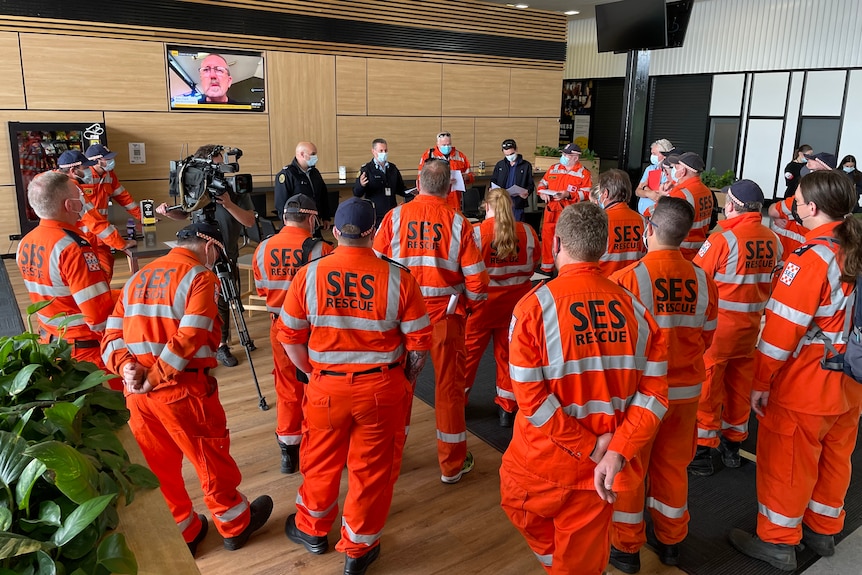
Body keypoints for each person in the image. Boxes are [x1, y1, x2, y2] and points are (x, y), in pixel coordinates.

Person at [501, 201, 668, 575]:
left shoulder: (533, 309)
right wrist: (614, 451)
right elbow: (654, 396)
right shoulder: (637, 311)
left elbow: (531, 400)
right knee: (577, 561)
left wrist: (589, 448)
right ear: (605, 247)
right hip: (602, 468)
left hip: (543, 459)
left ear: (556, 243)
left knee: (525, 516)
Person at [100, 222, 273, 556]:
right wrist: (155, 376)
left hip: (137, 397)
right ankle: (235, 524)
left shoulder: (138, 277)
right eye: (217, 255)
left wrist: (125, 368)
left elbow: (110, 334)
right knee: (210, 459)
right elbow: (190, 336)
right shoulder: (199, 277)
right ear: (209, 248)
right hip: (181, 391)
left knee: (158, 467)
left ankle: (186, 531)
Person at [281, 198, 432, 575]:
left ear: (334, 232)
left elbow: (289, 337)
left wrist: (312, 372)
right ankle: (358, 549)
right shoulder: (399, 277)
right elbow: (419, 343)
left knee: (318, 461)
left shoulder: (308, 274)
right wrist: (404, 381)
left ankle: (312, 530)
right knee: (371, 471)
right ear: (375, 231)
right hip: (382, 388)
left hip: (325, 389)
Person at [728, 170, 862, 571]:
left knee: (788, 461)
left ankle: (778, 540)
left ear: (813, 208)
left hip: (806, 384)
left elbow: (780, 333)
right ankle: (823, 529)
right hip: (851, 382)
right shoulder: (855, 245)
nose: (795, 206)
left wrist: (761, 381)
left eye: (799, 200)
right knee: (836, 457)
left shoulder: (810, 259)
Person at [607, 196, 718, 574]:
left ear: (648, 229)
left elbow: (618, 350)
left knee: (630, 468)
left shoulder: (627, 280)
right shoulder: (703, 279)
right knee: (673, 467)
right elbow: (707, 338)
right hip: (685, 394)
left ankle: (626, 548)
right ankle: (671, 542)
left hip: (640, 398)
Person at [373, 159, 489, 484]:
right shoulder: (458, 223)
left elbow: (377, 267)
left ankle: (392, 457)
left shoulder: (394, 217)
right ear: (450, 188)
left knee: (398, 387)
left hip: (399, 319)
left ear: (417, 182)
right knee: (449, 390)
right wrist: (472, 308)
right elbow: (477, 282)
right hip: (446, 319)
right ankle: (452, 465)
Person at [691, 180, 782, 476]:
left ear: (731, 205)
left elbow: (696, 280)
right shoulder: (773, 239)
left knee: (708, 387)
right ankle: (733, 445)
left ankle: (703, 450)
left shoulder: (722, 240)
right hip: (752, 329)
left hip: (719, 331)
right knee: (740, 388)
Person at [156, 144, 256, 367]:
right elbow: (185, 213)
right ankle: (212, 344)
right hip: (199, 256)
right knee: (205, 300)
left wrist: (228, 204)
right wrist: (168, 212)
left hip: (226, 251)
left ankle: (228, 341)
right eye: (216, 166)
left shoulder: (233, 187)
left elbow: (249, 221)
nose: (220, 171)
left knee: (227, 299)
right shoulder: (195, 185)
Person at [254, 194, 333, 474]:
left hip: (279, 328)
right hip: (314, 331)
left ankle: (289, 452)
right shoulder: (321, 250)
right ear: (311, 219)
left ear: (285, 217)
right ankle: (319, 448)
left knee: (287, 388)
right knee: (317, 386)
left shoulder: (262, 248)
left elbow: (263, 290)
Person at [17, 171, 117, 380]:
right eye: (78, 197)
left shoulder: (25, 243)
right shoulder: (73, 248)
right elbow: (97, 317)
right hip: (85, 354)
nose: (83, 202)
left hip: (52, 343)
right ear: (69, 205)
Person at [463, 188, 539, 427]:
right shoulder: (527, 232)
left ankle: (458, 403)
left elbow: (465, 271)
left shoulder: (476, 234)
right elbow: (534, 264)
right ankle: (507, 409)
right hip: (516, 307)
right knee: (508, 358)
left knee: (467, 357)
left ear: (487, 207)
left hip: (481, 306)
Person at [57, 150, 137, 280]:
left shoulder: (51, 183)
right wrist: (120, 243)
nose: (89, 169)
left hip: (93, 239)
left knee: (101, 273)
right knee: (93, 278)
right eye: (85, 167)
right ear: (73, 170)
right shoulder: (72, 188)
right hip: (81, 241)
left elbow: (124, 197)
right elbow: (93, 218)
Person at [82, 143, 141, 282]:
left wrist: (143, 217)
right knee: (88, 274)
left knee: (106, 269)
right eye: (107, 159)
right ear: (97, 161)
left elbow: (124, 198)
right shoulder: (81, 176)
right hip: (84, 236)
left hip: (102, 235)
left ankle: (104, 297)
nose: (110, 161)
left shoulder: (109, 175)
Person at [536, 143, 592, 274]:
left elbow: (587, 193)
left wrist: (568, 195)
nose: (564, 157)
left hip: (570, 213)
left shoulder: (583, 173)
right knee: (547, 239)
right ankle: (546, 268)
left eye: (567, 155)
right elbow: (542, 183)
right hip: (551, 211)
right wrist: (542, 193)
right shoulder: (554, 168)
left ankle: (564, 270)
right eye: (564, 154)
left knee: (568, 241)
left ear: (576, 157)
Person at [768, 151, 836, 254]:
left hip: (791, 255)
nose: (806, 166)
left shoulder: (801, 200)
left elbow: (773, 211)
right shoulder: (838, 198)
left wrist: (776, 216)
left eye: (810, 165)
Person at [649, 152, 713, 260]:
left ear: (683, 171)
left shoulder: (681, 193)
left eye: (675, 167)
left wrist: (660, 197)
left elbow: (659, 214)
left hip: (680, 250)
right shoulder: (706, 191)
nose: (673, 169)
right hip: (698, 251)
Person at [592, 168, 646, 277]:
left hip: (604, 282)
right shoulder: (642, 220)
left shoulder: (598, 221)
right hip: (632, 284)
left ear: (605, 193)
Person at [274, 141, 331, 229]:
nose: (315, 157)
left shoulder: (314, 173)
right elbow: (281, 203)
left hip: (313, 222)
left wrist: (326, 217)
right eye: (313, 154)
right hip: (296, 225)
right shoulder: (287, 174)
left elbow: (323, 195)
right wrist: (287, 224)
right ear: (302, 154)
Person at [353, 138, 408, 227]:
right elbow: (356, 193)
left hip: (391, 213)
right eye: (381, 151)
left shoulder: (393, 168)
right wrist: (361, 185)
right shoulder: (366, 169)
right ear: (373, 151)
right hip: (375, 214)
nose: (384, 153)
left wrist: (414, 192)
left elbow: (401, 189)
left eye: (385, 150)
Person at [417, 131, 474, 212]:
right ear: (437, 144)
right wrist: (444, 181)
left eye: (449, 144)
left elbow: (471, 175)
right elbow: (421, 178)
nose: (447, 147)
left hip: (455, 201)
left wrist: (467, 177)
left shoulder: (460, 156)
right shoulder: (429, 156)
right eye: (444, 145)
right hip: (435, 200)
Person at [490, 139, 534, 221]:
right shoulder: (500, 165)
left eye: (512, 153)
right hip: (502, 201)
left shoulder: (526, 165)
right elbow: (494, 180)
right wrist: (491, 188)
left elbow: (530, 184)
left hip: (517, 202)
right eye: (507, 155)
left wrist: (527, 191)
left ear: (516, 149)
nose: (510, 156)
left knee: (517, 226)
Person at [634, 139, 674, 215]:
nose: (652, 156)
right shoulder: (650, 169)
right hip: (643, 214)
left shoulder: (671, 171)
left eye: (654, 154)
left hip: (657, 215)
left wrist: (645, 188)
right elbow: (637, 191)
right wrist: (648, 193)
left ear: (664, 155)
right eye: (651, 153)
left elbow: (663, 195)